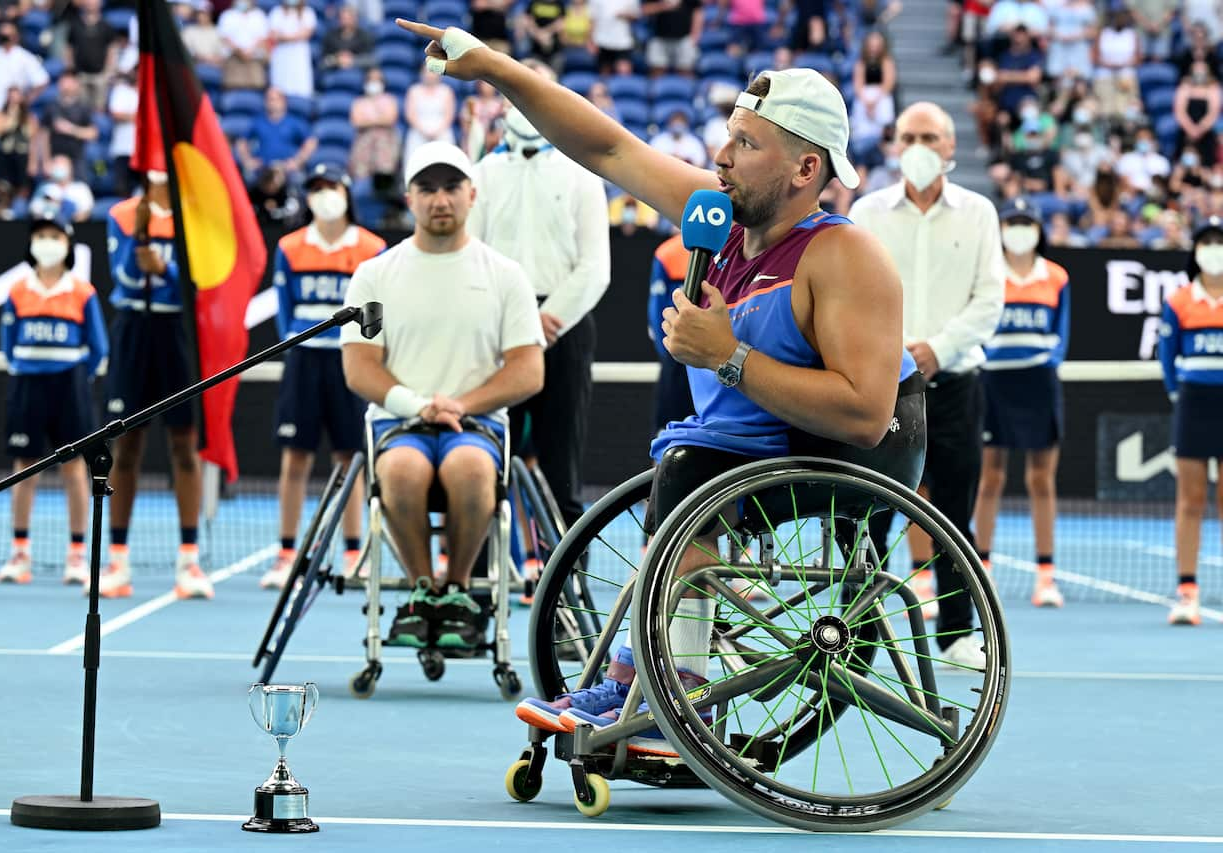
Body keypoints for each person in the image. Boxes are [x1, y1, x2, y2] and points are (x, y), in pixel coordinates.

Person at [392, 20, 925, 750]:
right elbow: (609, 147)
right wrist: (494, 68)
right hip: (757, 440)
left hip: (859, 449)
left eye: (745, 144)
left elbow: (865, 415)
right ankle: (642, 682)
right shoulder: (722, 219)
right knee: (690, 468)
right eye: (728, 137)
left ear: (805, 170)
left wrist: (727, 356)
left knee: (695, 473)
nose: (720, 156)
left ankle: (672, 698)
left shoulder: (848, 256)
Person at [340, 140, 545, 650]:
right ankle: (422, 591)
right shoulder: (375, 274)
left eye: (451, 187)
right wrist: (417, 405)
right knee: (402, 472)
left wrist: (460, 405)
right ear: (409, 198)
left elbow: (528, 370)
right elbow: (359, 366)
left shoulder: (505, 275)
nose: (440, 199)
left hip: (475, 428)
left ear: (472, 194)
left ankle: (457, 593)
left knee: (471, 471)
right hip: (400, 425)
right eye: (426, 189)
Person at [849, 101, 1004, 668]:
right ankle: (853, 633)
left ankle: (959, 633)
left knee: (954, 511)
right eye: (909, 135)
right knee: (865, 513)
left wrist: (936, 351)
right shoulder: (865, 213)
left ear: (949, 147)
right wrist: (890, 353)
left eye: (930, 137)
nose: (918, 145)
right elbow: (850, 295)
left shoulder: (980, 213)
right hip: (879, 388)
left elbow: (990, 300)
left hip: (956, 382)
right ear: (893, 143)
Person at [466, 106, 610, 530]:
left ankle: (565, 583)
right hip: (497, 327)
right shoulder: (481, 176)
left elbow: (595, 266)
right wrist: (513, 318)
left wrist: (547, 318)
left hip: (562, 326)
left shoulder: (581, 175)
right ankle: (479, 581)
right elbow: (471, 252)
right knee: (486, 457)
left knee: (560, 465)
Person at [259, 164, 388, 590]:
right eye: (315, 189)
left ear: (347, 193)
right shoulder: (291, 247)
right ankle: (286, 554)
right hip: (304, 362)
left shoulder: (372, 247)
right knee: (294, 457)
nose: (324, 195)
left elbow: (380, 309)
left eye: (331, 186)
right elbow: (284, 307)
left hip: (351, 361)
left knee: (351, 459)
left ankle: (354, 554)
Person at [99, 171, 213, 601]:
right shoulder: (123, 215)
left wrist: (164, 267)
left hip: (177, 334)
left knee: (185, 445)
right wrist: (140, 238)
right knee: (124, 446)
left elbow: (199, 282)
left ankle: (189, 561)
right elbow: (125, 278)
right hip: (132, 331)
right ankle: (118, 560)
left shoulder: (193, 217)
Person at [0, 216, 108, 585]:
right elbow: (8, 343)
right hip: (28, 386)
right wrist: (25, 365)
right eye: (40, 236)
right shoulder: (17, 291)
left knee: (74, 467)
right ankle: (20, 552)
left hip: (69, 386)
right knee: (24, 467)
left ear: (67, 243)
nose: (47, 242)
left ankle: (76, 555)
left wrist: (76, 374)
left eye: (54, 236)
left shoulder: (82, 292)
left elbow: (98, 346)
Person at [971, 198, 1069, 608]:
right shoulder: (990, 273)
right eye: (1013, 222)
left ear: (1038, 229)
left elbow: (1062, 334)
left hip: (1039, 384)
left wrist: (1049, 361)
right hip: (994, 384)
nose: (1020, 230)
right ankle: (983, 568)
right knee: (990, 476)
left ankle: (1046, 576)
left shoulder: (1058, 277)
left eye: (1027, 223)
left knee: (1041, 479)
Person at [1159, 216, 1223, 627]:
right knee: (1191, 499)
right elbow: (1167, 358)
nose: (1214, 249)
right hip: (1194, 403)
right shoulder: (1179, 300)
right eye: (1207, 242)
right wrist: (1179, 394)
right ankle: (1187, 591)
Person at [647, 229, 694, 435]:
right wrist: (668, 352)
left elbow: (655, 308)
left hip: (699, 355)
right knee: (668, 428)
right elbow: (656, 309)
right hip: (679, 356)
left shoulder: (728, 247)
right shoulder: (667, 253)